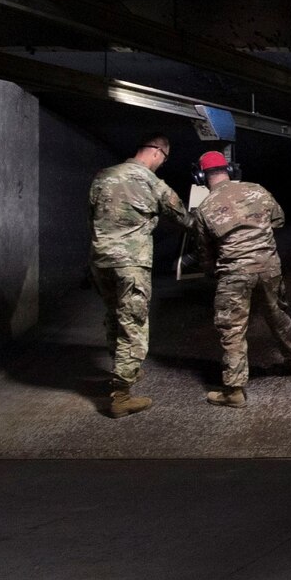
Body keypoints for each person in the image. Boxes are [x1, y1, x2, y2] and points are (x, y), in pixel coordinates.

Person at [86, 133, 193, 418]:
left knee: (114, 315)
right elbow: (183, 217)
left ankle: (124, 371)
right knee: (133, 323)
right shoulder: (152, 182)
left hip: (101, 260)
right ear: (158, 153)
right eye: (164, 159)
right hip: (131, 264)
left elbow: (92, 214)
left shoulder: (103, 176)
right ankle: (121, 396)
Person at [191, 151, 291, 408]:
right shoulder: (257, 190)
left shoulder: (205, 208)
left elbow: (205, 252)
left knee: (232, 329)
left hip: (234, 274)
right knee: (277, 315)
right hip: (268, 267)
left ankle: (234, 391)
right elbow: (279, 220)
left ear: (201, 176)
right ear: (229, 169)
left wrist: (212, 270)